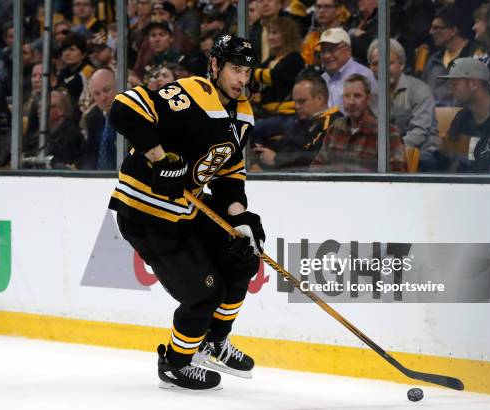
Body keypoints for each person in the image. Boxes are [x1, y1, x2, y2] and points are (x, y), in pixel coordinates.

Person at [109, 34, 264, 390]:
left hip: (184, 209)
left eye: (247, 71)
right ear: (215, 66)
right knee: (203, 292)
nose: (242, 79)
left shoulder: (242, 113)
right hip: (146, 213)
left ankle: (214, 342)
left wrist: (238, 217)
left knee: (243, 256)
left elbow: (228, 174)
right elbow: (124, 107)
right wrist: (160, 159)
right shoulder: (191, 94)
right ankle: (176, 363)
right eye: (235, 69)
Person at [311, 73, 406, 172]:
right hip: (335, 186)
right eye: (347, 96)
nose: (351, 102)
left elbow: (397, 175)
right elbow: (318, 166)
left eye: (357, 96)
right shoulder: (336, 127)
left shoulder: (386, 133)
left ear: (369, 99)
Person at [367, 39, 439, 168]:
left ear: (402, 64)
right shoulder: (371, 95)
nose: (381, 69)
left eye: (389, 63)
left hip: (421, 155)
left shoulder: (420, 90)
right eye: (376, 64)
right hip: (385, 156)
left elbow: (420, 132)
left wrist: (390, 150)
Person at [252, 71, 341, 170]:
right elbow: (288, 146)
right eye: (295, 102)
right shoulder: (305, 120)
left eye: (301, 101)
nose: (296, 106)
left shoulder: (335, 124)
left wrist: (277, 159)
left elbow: (315, 159)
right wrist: (265, 150)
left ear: (320, 99)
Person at [318, 27, 375, 111]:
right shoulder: (322, 79)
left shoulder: (364, 75)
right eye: (323, 51)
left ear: (348, 50)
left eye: (332, 50)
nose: (326, 56)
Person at [81, 69, 118, 170]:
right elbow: (89, 154)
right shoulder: (92, 117)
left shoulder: (134, 115)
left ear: (119, 87)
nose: (103, 98)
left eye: (106, 90)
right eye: (97, 94)